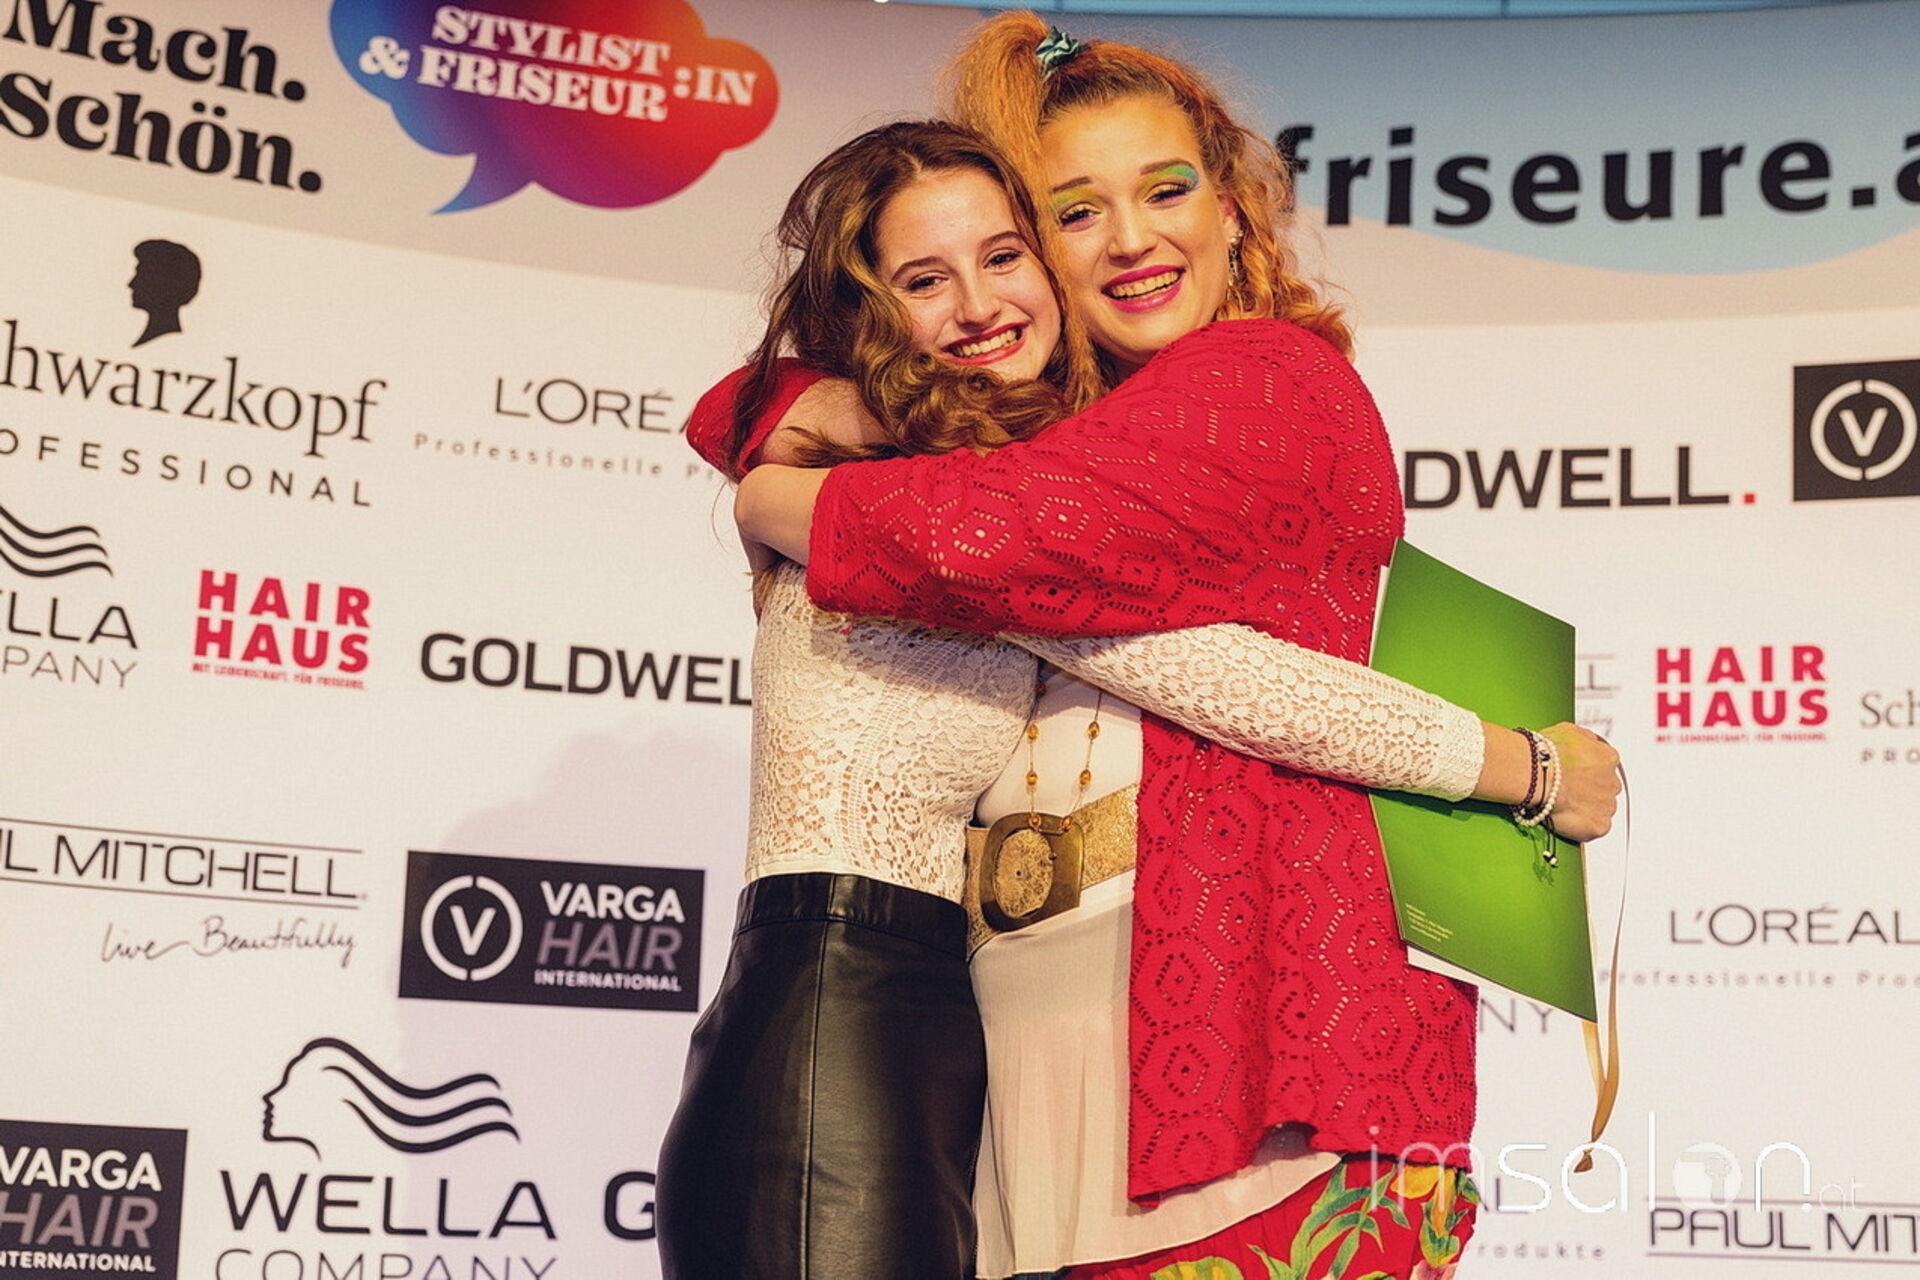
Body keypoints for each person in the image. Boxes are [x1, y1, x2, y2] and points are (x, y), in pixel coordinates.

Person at [732, 17, 1621, 1280]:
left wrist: (786, 492)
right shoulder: (1049, 430)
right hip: (1031, 1040)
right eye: (1075, 212)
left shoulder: (1267, 381)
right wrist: (817, 413)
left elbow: (977, 541)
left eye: (1166, 190)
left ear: (1234, 211)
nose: (1132, 239)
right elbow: (764, 409)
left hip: (1268, 1040)